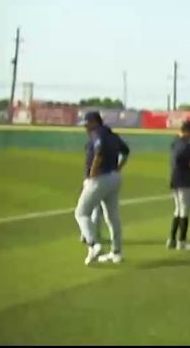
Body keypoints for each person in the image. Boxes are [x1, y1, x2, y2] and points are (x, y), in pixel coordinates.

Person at [74, 111, 130, 265]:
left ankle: (94, 244)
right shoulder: (112, 135)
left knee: (81, 213)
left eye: (86, 123)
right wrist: (119, 167)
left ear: (94, 122)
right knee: (112, 217)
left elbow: (99, 151)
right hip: (113, 177)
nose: (85, 127)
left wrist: (92, 172)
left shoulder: (98, 134)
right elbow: (126, 151)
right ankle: (116, 252)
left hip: (99, 179)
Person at [168, 120, 190, 250]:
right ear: (187, 131)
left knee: (177, 210)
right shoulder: (187, 146)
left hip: (174, 179)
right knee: (184, 211)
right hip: (185, 180)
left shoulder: (175, 142)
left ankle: (172, 239)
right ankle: (182, 241)